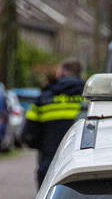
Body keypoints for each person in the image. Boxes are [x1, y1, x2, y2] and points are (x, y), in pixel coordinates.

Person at [23, 59, 85, 188]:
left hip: (50, 162)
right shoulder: (89, 98)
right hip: (82, 164)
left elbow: (29, 134)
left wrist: (45, 145)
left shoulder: (44, 98)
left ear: (61, 72)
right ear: (79, 74)